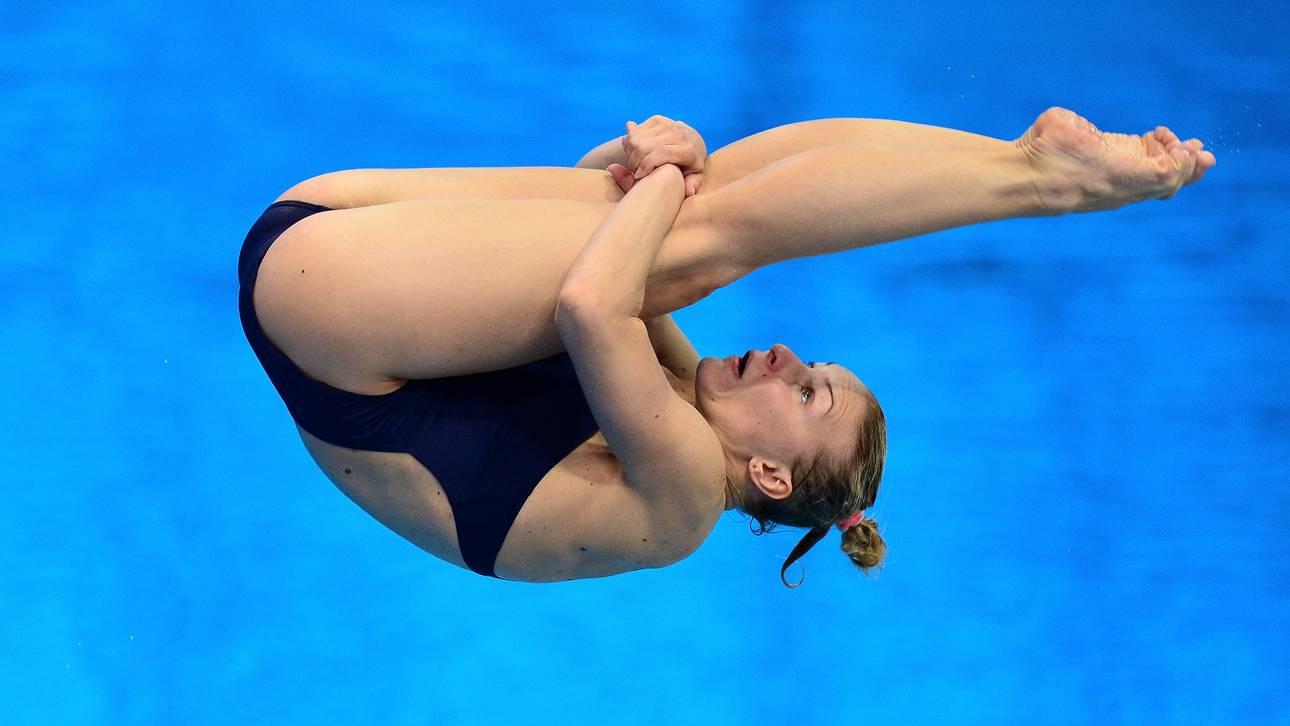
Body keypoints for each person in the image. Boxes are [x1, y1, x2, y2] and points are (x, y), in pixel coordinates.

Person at [237, 108, 1215, 586]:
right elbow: (595, 216)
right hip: (329, 254)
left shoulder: (685, 496)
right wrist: (657, 174)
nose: (789, 356)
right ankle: (1007, 153)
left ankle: (1049, 183)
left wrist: (662, 170)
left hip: (329, 314)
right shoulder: (674, 404)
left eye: (807, 395)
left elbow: (588, 300)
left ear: (771, 477)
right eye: (814, 370)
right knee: (709, 203)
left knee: (707, 235)